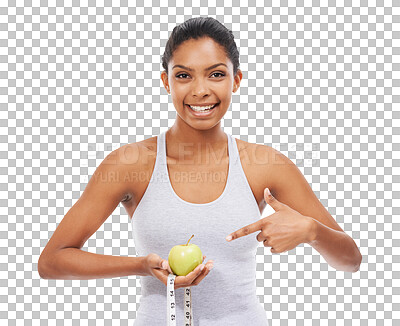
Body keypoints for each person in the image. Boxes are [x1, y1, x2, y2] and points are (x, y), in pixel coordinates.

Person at [38, 17, 362, 325]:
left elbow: (351, 260)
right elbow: (52, 261)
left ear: (236, 81)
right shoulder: (131, 163)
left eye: (216, 74)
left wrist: (312, 231)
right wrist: (141, 266)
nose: (200, 90)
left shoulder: (265, 164)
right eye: (183, 75)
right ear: (166, 81)